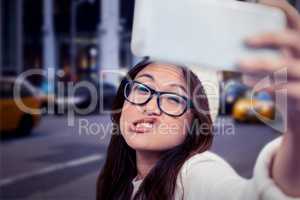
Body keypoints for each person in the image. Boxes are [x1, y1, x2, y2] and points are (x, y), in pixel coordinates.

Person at [96, 0, 300, 199]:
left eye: (174, 98)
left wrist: (297, 129)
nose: (150, 106)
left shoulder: (195, 174)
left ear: (195, 123)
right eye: (142, 88)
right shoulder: (117, 179)